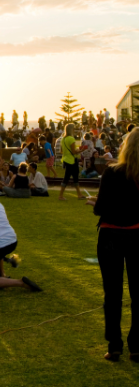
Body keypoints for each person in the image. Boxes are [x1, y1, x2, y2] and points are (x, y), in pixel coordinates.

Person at [93, 128, 139, 362]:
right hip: (137, 236)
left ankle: (115, 345)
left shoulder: (111, 173)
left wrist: (95, 203)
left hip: (110, 237)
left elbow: (100, 209)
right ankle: (137, 345)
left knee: (113, 293)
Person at [59, 123, 86, 201]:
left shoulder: (63, 139)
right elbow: (74, 152)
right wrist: (81, 150)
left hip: (66, 159)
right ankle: (61, 195)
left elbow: (61, 151)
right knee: (69, 177)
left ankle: (79, 194)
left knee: (74, 177)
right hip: (72, 160)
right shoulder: (71, 138)